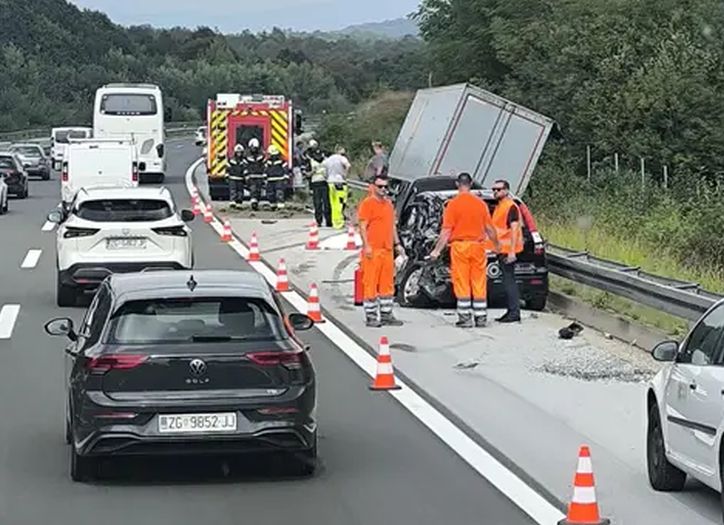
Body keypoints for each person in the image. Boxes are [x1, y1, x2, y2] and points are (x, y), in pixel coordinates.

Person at [430, 173, 500, 328]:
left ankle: (465, 317)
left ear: (457, 184)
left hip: (460, 246)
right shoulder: (481, 204)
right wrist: (496, 245)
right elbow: (489, 228)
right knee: (479, 281)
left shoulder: (453, 205)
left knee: (462, 281)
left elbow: (446, 231)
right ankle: (481, 317)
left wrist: (436, 250)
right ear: (471, 184)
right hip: (478, 246)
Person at [357, 174, 406, 328]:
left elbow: (392, 227)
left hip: (387, 250)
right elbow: (363, 226)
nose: (384, 189)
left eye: (386, 186)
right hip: (373, 250)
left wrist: (398, 244)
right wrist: (367, 246)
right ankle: (371, 316)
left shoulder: (389, 205)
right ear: (373, 187)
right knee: (370, 284)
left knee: (387, 284)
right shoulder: (368, 204)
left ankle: (386, 314)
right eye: (380, 186)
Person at [491, 179, 524, 323]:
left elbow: (515, 229)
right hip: (501, 250)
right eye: (494, 189)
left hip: (508, 250)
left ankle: (514, 312)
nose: (495, 192)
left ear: (506, 191)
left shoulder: (510, 206)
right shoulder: (500, 206)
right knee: (506, 281)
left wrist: (511, 252)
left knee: (509, 281)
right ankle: (511, 311)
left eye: (498, 189)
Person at [324, 146, 351, 229]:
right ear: (339, 151)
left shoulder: (328, 159)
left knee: (333, 203)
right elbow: (348, 166)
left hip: (330, 182)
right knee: (340, 202)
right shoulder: (341, 158)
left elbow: (324, 168)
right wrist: (345, 174)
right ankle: (339, 222)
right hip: (340, 182)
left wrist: (327, 176)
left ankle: (335, 221)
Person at [305, 141, 331, 227]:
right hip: (316, 183)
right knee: (317, 203)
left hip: (324, 183)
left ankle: (328, 221)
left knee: (326, 203)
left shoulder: (326, 161)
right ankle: (319, 221)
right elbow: (307, 174)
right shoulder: (311, 161)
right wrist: (313, 171)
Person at [244, 138, 266, 211]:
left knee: (258, 190)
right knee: (253, 189)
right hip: (251, 176)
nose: (254, 149)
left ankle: (256, 202)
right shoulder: (247, 156)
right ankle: (253, 203)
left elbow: (264, 166)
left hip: (259, 176)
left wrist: (264, 175)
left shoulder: (261, 156)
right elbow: (245, 167)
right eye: (253, 147)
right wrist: (246, 175)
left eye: (255, 148)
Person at [264, 145, 289, 211]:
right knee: (270, 193)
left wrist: (286, 177)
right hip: (270, 180)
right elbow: (265, 170)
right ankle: (273, 206)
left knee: (279, 193)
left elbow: (285, 169)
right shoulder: (268, 162)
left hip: (279, 179)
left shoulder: (281, 161)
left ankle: (281, 207)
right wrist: (265, 178)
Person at [226, 143, 245, 208]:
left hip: (240, 179)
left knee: (240, 191)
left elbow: (245, 169)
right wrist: (227, 176)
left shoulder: (243, 161)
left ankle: (239, 202)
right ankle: (232, 201)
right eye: (238, 152)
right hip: (232, 178)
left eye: (240, 152)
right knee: (233, 190)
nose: (239, 154)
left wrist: (246, 177)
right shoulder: (231, 160)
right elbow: (228, 169)